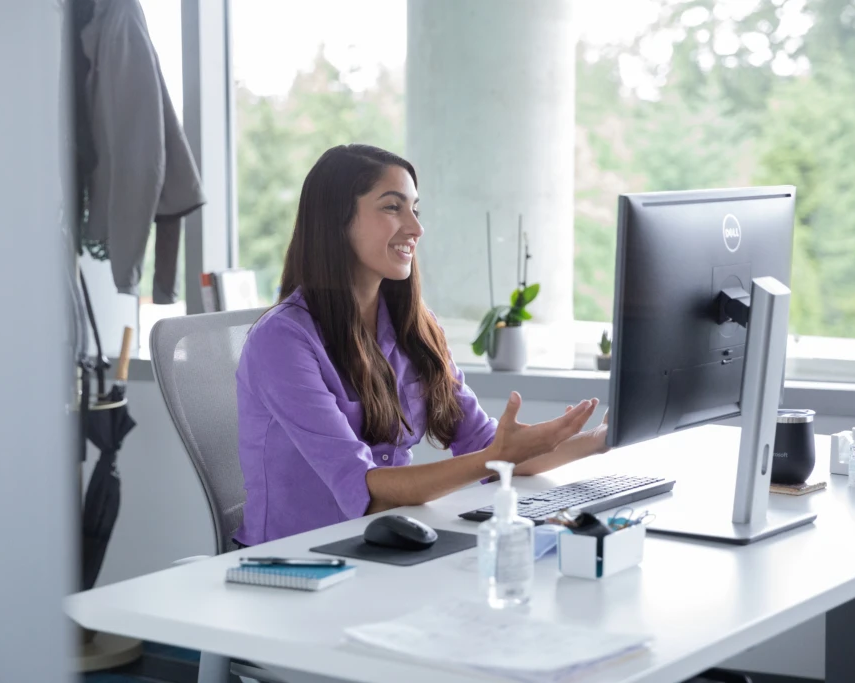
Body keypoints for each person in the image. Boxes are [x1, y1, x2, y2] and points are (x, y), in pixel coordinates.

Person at [233, 144, 608, 546]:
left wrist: (603, 437)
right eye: (393, 207)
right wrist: (498, 455)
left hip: (383, 547)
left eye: (416, 209)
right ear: (336, 221)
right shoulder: (283, 340)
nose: (415, 227)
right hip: (298, 562)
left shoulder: (413, 328)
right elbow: (368, 491)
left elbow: (489, 449)